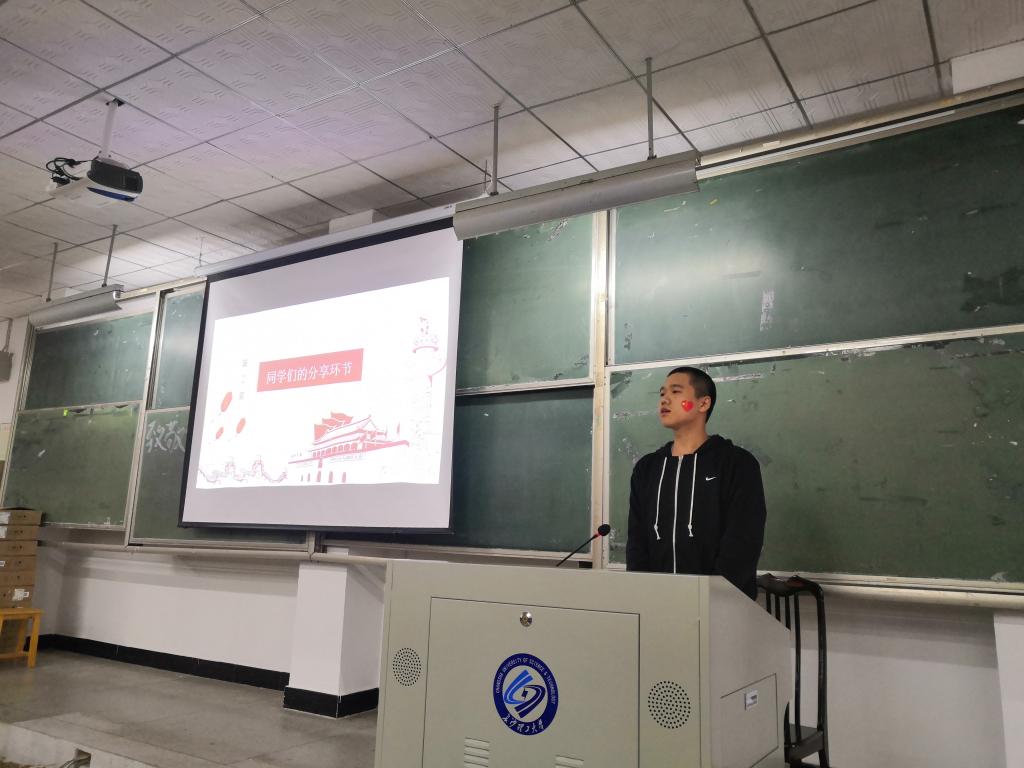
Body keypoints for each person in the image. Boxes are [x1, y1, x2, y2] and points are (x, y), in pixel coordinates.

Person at [626, 366, 767, 599]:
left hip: (722, 605)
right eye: (662, 393)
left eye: (676, 391)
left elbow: (743, 541)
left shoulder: (736, 464)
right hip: (657, 602)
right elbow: (637, 542)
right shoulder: (647, 469)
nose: (665, 399)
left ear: (703, 403)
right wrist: (643, 592)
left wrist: (712, 596)